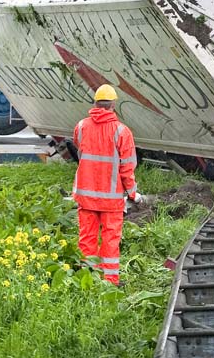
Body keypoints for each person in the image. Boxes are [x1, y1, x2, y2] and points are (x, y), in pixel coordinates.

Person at [72, 84, 142, 285]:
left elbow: (80, 149)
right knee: (111, 240)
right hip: (111, 200)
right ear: (113, 105)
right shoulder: (122, 132)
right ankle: (110, 282)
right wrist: (132, 193)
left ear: (95, 104)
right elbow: (127, 167)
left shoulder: (82, 127)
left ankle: (87, 279)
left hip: (86, 197)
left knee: (87, 239)